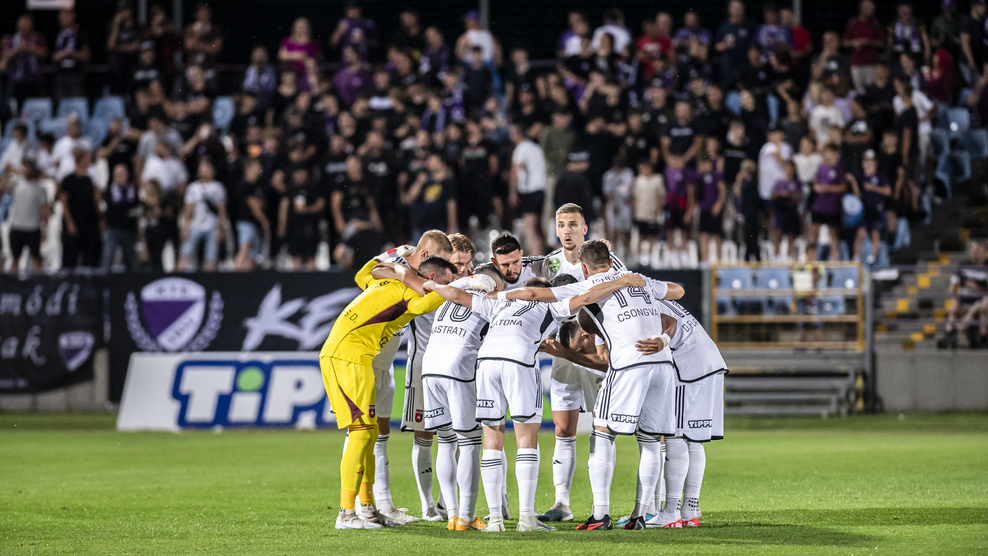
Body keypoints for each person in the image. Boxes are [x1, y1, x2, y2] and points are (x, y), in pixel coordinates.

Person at [428, 256, 646, 532]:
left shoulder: (499, 302)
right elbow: (587, 297)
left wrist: (435, 285)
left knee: (492, 439)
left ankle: (495, 520)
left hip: (486, 361)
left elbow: (456, 295)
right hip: (519, 360)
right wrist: (622, 281)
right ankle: (526, 519)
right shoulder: (551, 304)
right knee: (526, 439)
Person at [500, 240, 684, 530]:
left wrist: (498, 295)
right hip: (663, 364)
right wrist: (660, 330)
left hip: (629, 363)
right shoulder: (638, 279)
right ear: (610, 261)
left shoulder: (589, 285)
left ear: (584, 268)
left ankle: (600, 515)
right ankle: (640, 516)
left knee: (602, 434)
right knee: (650, 441)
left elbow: (535, 293)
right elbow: (678, 290)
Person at [319, 253, 457, 530]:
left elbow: (364, 274)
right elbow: (425, 304)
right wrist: (461, 287)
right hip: (347, 357)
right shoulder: (407, 290)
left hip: (352, 356)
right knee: (361, 432)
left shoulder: (388, 283)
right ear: (431, 277)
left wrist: (394, 264)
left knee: (369, 433)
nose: (448, 285)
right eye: (446, 281)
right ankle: (346, 513)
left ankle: (368, 509)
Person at [417, 263, 504, 531]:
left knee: (445, 441)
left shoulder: (448, 295)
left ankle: (452, 516)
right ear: (495, 285)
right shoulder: (490, 301)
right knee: (469, 443)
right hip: (459, 366)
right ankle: (466, 516)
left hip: (430, 366)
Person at [0, 156, 48, 272]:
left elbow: (44, 210)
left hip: (33, 227)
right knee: (15, 259)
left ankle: (39, 281)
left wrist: (44, 228)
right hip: (17, 226)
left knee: (37, 258)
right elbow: (2, 188)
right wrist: (7, 172)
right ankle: (13, 282)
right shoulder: (17, 183)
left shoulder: (40, 187)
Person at [178, 158, 227, 271]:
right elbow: (188, 209)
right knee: (185, 254)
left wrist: (221, 228)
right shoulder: (193, 187)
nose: (203, 171)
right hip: (195, 225)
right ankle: (179, 276)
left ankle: (210, 280)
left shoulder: (218, 187)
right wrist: (185, 227)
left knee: (211, 258)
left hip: (212, 226)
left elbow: (221, 210)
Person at [58, 149, 101, 269]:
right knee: (70, 256)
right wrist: (69, 222)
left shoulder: (89, 180)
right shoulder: (68, 180)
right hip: (75, 220)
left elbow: (95, 201)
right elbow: (64, 202)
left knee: (90, 256)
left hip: (89, 221)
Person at [941, 240, 988, 349]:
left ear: (984, 252)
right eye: (972, 249)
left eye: (977, 250)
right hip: (964, 300)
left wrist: (976, 288)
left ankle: (982, 337)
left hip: (980, 301)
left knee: (984, 305)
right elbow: (953, 287)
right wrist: (954, 298)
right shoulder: (963, 265)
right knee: (954, 306)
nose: (974, 252)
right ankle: (949, 336)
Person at [509, 124, 547, 255]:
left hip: (528, 191)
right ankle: (543, 256)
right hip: (540, 190)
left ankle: (536, 260)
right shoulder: (536, 148)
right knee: (539, 228)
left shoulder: (520, 149)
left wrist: (513, 192)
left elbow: (515, 171)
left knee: (530, 230)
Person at [848, 149, 891, 265]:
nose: (868, 164)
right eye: (866, 161)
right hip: (865, 208)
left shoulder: (880, 176)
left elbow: (888, 191)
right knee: (860, 233)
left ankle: (873, 258)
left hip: (876, 208)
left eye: (871, 161)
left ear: (875, 163)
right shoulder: (861, 178)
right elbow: (858, 196)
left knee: (875, 233)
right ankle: (856, 258)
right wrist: (853, 182)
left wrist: (873, 187)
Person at [278, 164, 323, 270]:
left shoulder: (313, 187)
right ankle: (296, 279)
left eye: (302, 172)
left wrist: (307, 209)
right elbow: (283, 207)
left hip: (310, 226)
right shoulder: (290, 189)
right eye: (297, 173)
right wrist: (282, 226)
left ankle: (313, 279)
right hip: (294, 227)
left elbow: (321, 204)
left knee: (311, 256)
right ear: (293, 174)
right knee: (295, 256)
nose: (300, 175)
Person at [810, 144, 847, 261]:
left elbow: (843, 187)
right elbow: (815, 184)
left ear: (835, 153)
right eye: (825, 152)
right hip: (818, 205)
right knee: (813, 232)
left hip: (832, 207)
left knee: (833, 233)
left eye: (828, 152)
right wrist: (817, 187)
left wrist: (826, 188)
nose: (826, 155)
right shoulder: (821, 167)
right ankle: (812, 259)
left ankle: (834, 261)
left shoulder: (839, 169)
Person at [101, 164, 141, 271]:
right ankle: (103, 280)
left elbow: (136, 206)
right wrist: (126, 209)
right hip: (113, 228)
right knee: (108, 257)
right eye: (118, 174)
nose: (120, 177)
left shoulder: (133, 190)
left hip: (129, 229)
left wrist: (121, 207)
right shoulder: (109, 191)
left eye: (123, 174)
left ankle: (132, 280)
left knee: (131, 260)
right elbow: (112, 208)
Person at [1, 15, 48, 105]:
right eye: (22, 25)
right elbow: (5, 55)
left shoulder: (37, 37)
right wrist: (18, 50)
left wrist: (31, 49)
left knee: (35, 105)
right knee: (18, 105)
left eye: (27, 25)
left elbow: (45, 53)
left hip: (35, 80)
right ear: (18, 26)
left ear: (31, 26)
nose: (24, 27)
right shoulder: (12, 39)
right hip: (17, 80)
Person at [843, 0, 885, 94]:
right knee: (858, 91)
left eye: (872, 7)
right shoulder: (852, 23)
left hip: (872, 64)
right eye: (867, 7)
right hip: (856, 63)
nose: (870, 9)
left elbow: (882, 43)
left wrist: (867, 41)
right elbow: (844, 42)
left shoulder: (876, 23)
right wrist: (853, 43)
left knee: (871, 91)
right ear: (861, 8)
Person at [233, 159, 268, 271]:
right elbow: (254, 205)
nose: (260, 169)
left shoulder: (257, 186)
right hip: (246, 222)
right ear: (249, 168)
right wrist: (264, 220)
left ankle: (246, 278)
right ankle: (235, 276)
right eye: (258, 166)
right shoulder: (244, 185)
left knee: (252, 256)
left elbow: (261, 203)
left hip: (254, 224)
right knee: (245, 248)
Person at [51, 8, 90, 101]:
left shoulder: (80, 33)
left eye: (65, 16)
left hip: (76, 75)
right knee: (61, 103)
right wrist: (60, 55)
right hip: (60, 74)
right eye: (60, 17)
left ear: (72, 16)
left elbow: (86, 55)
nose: (62, 19)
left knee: (76, 102)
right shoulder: (58, 34)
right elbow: (53, 56)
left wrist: (71, 52)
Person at [632, 160, 665, 266]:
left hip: (652, 214)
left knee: (651, 236)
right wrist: (635, 211)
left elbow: (661, 196)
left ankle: (650, 258)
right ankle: (639, 258)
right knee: (641, 236)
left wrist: (658, 209)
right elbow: (635, 197)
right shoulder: (638, 181)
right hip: (641, 214)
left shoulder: (657, 179)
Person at [601, 154, 633, 260]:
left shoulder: (628, 173)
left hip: (625, 205)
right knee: (613, 230)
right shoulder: (608, 176)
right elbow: (607, 192)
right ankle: (614, 251)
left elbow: (630, 188)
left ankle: (626, 251)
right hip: (614, 205)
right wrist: (613, 204)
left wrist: (629, 199)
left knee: (626, 230)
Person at [695, 155, 726, 264]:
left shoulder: (717, 175)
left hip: (714, 208)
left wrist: (719, 204)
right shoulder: (699, 176)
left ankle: (719, 259)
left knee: (717, 234)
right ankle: (704, 260)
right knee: (703, 234)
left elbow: (722, 189)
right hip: (704, 208)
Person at [771, 160, 802, 261]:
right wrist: (781, 194)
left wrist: (789, 194)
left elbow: (799, 196)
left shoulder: (796, 182)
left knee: (791, 234)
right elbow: (773, 194)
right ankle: (776, 256)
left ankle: (790, 256)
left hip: (791, 210)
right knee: (778, 233)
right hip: (780, 210)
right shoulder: (779, 182)